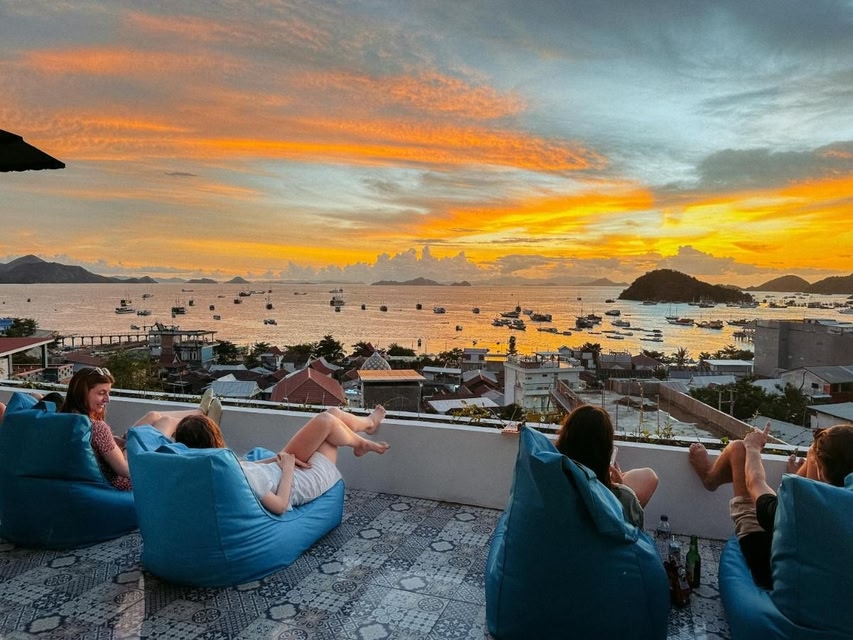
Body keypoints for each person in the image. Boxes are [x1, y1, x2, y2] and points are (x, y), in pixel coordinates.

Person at [689, 423, 853, 588]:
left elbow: (755, 482)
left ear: (822, 473)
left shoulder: (787, 513)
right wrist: (797, 476)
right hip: (819, 570)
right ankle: (798, 477)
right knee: (813, 453)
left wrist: (753, 447)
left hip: (770, 563)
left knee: (738, 448)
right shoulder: (844, 505)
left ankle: (709, 479)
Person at [174, 406, 390, 514]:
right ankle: (362, 442)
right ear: (215, 439)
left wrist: (277, 459)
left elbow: (246, 467)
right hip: (301, 479)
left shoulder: (214, 465)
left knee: (332, 414)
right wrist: (287, 467)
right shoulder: (238, 475)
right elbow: (279, 506)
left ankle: (369, 425)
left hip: (284, 467)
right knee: (328, 421)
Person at [61, 367, 222, 491]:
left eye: (108, 393)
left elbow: (96, 447)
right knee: (167, 422)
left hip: (111, 467)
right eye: (101, 393)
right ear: (82, 393)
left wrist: (114, 441)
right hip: (127, 482)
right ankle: (206, 423)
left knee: (153, 415)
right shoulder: (97, 428)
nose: (107, 399)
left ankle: (200, 412)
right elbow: (126, 471)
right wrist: (128, 447)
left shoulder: (65, 419)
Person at [554, 405, 659, 528]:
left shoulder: (549, 484)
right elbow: (634, 536)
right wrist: (618, 490)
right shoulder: (621, 500)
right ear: (606, 450)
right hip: (603, 527)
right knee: (645, 478)